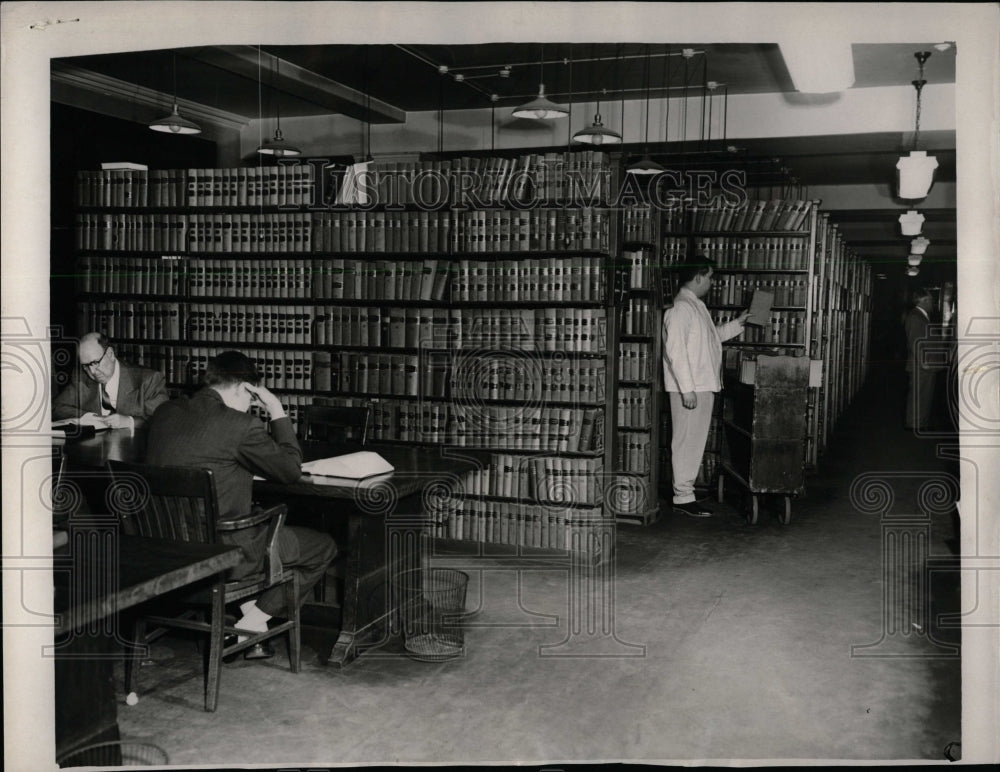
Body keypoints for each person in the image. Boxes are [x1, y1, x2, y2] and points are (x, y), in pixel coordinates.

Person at [146, 350, 336, 660]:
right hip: (222, 552)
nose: (250, 406)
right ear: (245, 388)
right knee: (323, 547)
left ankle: (247, 622)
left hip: (167, 546)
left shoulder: (165, 413)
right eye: (251, 398)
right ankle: (248, 627)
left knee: (252, 515)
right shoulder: (240, 425)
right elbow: (290, 470)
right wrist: (275, 409)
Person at [662, 257, 749, 517]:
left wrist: (739, 323)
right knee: (686, 441)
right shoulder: (680, 308)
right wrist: (686, 389)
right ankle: (683, 496)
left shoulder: (695, 306)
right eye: (710, 277)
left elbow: (712, 339)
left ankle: (685, 494)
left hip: (701, 386)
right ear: (698, 277)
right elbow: (675, 351)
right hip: (690, 389)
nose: (711, 283)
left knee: (694, 441)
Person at [53, 331, 168, 428]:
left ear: (110, 354)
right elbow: (56, 407)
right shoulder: (81, 378)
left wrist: (130, 421)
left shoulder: (149, 379)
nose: (92, 371)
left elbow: (163, 421)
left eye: (95, 363)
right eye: (86, 365)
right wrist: (89, 417)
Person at [903, 287, 937, 431]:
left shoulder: (920, 316)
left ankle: (920, 423)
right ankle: (914, 424)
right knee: (919, 396)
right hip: (920, 365)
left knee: (923, 396)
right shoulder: (916, 317)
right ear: (925, 300)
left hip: (923, 364)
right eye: (931, 300)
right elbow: (915, 342)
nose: (933, 303)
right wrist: (924, 363)